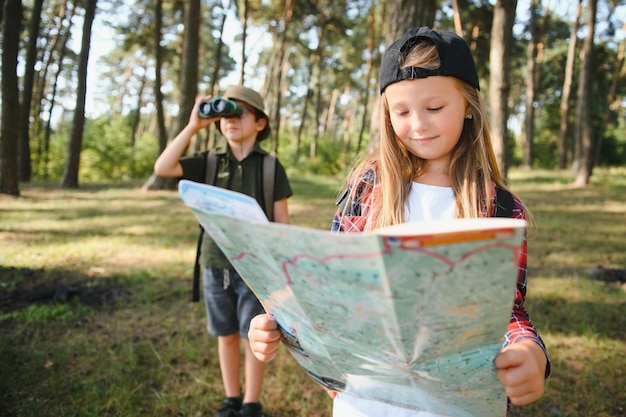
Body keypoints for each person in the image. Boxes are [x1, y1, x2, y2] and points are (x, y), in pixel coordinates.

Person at [247, 27, 550, 416]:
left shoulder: (501, 208)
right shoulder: (367, 187)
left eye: (435, 108)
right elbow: (327, 287)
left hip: (454, 406)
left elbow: (507, 311)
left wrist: (530, 350)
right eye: (402, 112)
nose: (419, 125)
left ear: (469, 105)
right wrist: (278, 322)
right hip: (365, 401)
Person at [155, 85, 293, 417]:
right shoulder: (209, 162)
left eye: (239, 113)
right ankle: (232, 399)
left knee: (253, 335)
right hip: (216, 264)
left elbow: (283, 226)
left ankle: (250, 403)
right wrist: (193, 126)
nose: (230, 120)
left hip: (256, 268)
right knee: (226, 333)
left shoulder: (271, 166)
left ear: (260, 123)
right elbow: (163, 167)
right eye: (224, 115)